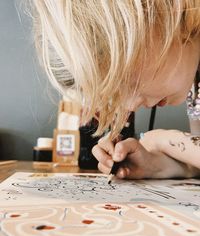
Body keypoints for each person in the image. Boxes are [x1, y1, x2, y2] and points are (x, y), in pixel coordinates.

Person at [29, 0, 200, 179]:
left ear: (167, 10)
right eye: (115, 94)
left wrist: (167, 141)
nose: (130, 106)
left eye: (127, 81)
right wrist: (157, 165)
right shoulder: (192, 78)